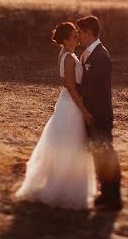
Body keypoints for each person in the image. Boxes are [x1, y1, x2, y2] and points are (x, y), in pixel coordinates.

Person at [15, 22, 96, 209]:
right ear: (66, 39)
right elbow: (70, 86)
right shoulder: (68, 57)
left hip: (68, 103)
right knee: (71, 144)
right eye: (74, 35)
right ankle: (62, 188)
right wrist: (83, 110)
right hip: (71, 105)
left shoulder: (70, 55)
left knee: (67, 144)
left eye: (77, 34)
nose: (78, 36)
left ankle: (68, 183)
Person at [76, 15, 122, 211]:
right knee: (98, 154)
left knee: (106, 154)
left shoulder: (101, 56)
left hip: (100, 114)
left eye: (80, 32)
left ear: (89, 33)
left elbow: (92, 87)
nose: (78, 36)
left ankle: (114, 198)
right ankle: (105, 193)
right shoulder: (89, 54)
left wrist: (73, 90)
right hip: (92, 113)